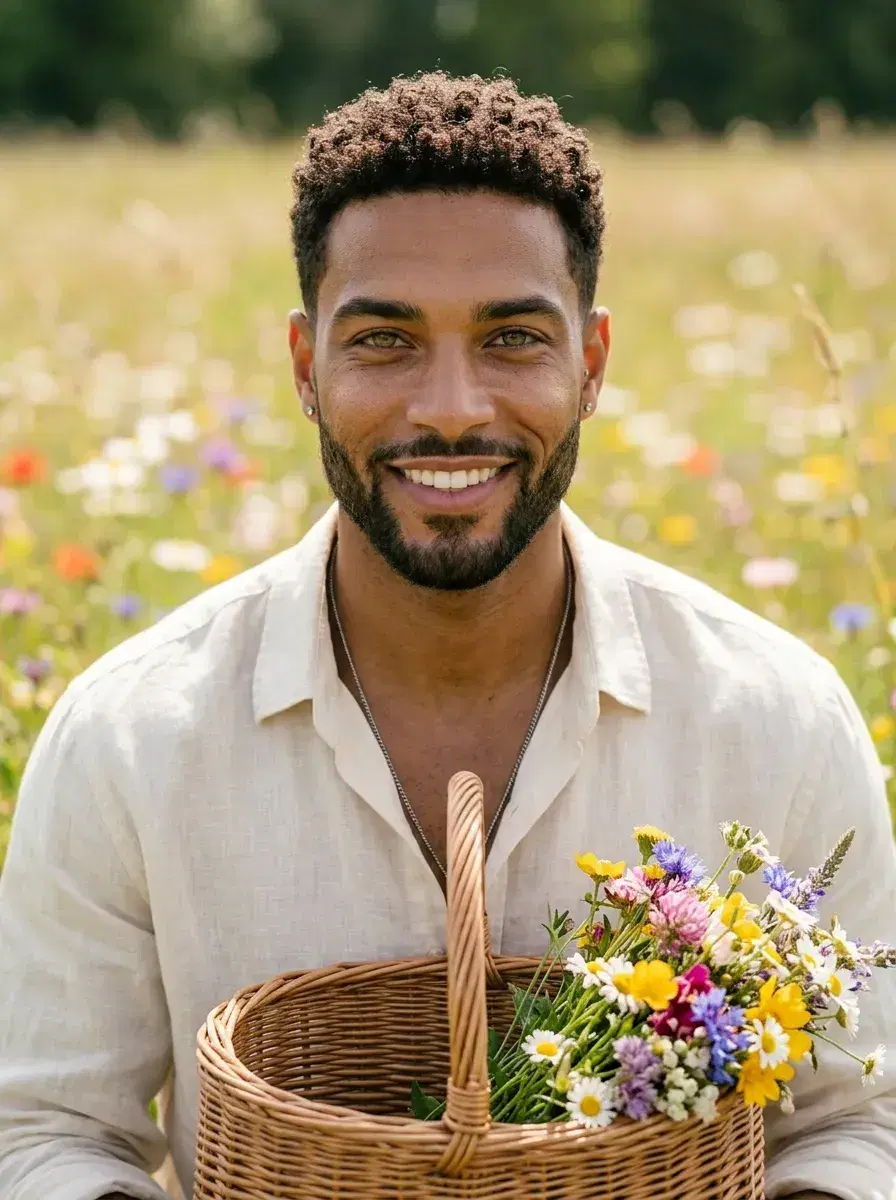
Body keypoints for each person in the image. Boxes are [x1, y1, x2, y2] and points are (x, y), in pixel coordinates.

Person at [0, 70, 893, 1200]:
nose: (452, 408)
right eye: (384, 341)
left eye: (512, 337)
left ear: (594, 361)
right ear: (302, 366)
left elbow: (862, 1123)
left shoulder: (775, 718)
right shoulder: (129, 735)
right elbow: (40, 1130)